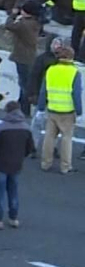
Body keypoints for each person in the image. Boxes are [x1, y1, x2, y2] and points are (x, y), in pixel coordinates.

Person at [0, 103, 34, 230]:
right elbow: (30, 148)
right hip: (17, 164)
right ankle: (13, 218)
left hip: (0, 164)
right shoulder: (26, 128)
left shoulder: (1, 128)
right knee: (13, 191)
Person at [40, 44, 81, 173]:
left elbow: (43, 91)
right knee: (66, 139)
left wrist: (41, 107)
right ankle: (65, 166)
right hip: (67, 111)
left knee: (49, 137)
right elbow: (76, 94)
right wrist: (79, 110)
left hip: (52, 108)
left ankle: (45, 163)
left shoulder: (51, 70)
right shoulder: (74, 72)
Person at [5, 2, 42, 116]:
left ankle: (25, 108)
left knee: (23, 83)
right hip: (30, 56)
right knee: (25, 82)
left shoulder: (23, 24)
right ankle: (21, 103)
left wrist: (12, 15)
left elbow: (9, 25)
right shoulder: (35, 23)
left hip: (22, 56)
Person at [30, 36, 66, 148]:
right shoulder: (42, 58)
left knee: (56, 125)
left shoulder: (64, 61)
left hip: (57, 98)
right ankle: (33, 145)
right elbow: (34, 76)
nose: (56, 46)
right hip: (42, 95)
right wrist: (33, 93)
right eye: (54, 43)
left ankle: (52, 147)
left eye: (59, 44)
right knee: (37, 122)